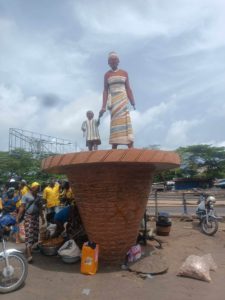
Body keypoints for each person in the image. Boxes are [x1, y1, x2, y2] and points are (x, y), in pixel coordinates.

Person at [99, 51, 136, 149]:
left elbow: (128, 88)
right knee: (115, 122)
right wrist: (103, 106)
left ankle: (129, 144)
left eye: (115, 59)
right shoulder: (107, 75)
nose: (113, 62)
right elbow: (105, 91)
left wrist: (132, 102)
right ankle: (114, 144)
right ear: (108, 63)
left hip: (123, 100)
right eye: (111, 60)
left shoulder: (124, 73)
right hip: (114, 101)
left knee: (125, 121)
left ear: (118, 61)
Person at [16, 182, 45, 262]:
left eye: (38, 188)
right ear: (32, 188)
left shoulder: (38, 197)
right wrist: (18, 217)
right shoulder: (26, 196)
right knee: (29, 234)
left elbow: (40, 208)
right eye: (36, 188)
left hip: (36, 217)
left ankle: (28, 249)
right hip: (28, 217)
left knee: (35, 235)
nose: (38, 189)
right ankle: (29, 254)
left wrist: (42, 218)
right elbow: (22, 207)